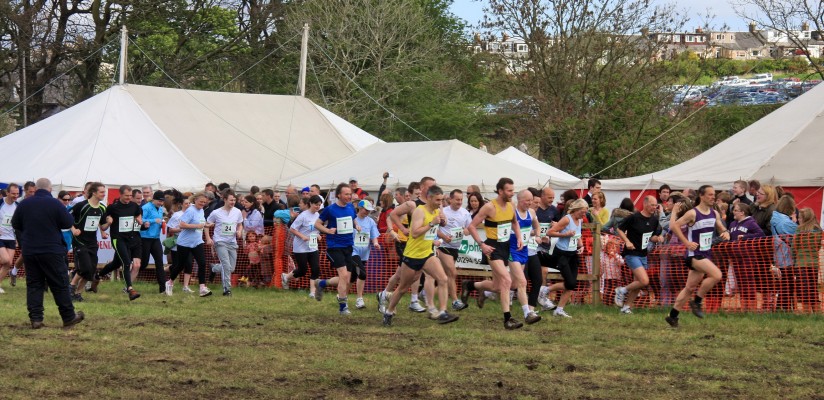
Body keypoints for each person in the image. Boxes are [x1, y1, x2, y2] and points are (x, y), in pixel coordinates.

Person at [11, 178, 84, 329]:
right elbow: (66, 222)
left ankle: (36, 319)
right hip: (51, 250)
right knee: (60, 284)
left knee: (34, 285)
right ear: (50, 190)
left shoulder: (24, 203)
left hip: (30, 251)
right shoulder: (55, 203)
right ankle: (68, 316)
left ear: (36, 189)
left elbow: (15, 224)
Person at [382, 185, 459, 326]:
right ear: (429, 198)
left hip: (427, 253)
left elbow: (439, 225)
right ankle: (389, 311)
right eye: (437, 200)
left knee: (442, 279)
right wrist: (431, 223)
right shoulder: (419, 211)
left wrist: (442, 221)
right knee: (403, 288)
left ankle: (442, 312)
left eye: (441, 200)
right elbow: (415, 233)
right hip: (412, 255)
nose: (440, 203)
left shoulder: (436, 210)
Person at [461, 177, 524, 329]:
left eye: (513, 190)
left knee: (497, 286)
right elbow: (472, 226)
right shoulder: (489, 207)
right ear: (500, 191)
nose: (512, 193)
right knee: (507, 281)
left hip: (506, 245)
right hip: (492, 247)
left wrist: (519, 236)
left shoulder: (511, 205)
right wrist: (481, 244)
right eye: (509, 190)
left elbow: (514, 222)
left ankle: (470, 285)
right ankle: (507, 319)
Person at [666, 185, 730, 327]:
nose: (713, 197)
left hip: (705, 254)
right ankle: (697, 301)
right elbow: (674, 226)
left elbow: (721, 227)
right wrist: (687, 243)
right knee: (717, 275)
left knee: (689, 288)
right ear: (701, 196)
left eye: (714, 195)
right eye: (710, 195)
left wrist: (726, 232)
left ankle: (673, 316)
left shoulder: (714, 213)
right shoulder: (693, 213)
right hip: (694, 255)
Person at [313, 183, 359, 315]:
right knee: (344, 276)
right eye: (346, 194)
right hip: (335, 246)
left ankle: (322, 283)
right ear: (339, 195)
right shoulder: (330, 209)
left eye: (350, 194)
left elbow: (353, 219)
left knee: (346, 278)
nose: (349, 196)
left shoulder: (350, 207)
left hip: (348, 246)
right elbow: (317, 224)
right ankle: (343, 307)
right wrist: (327, 230)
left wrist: (356, 226)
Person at [613, 196, 663, 314]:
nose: (654, 208)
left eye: (655, 205)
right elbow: (619, 229)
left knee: (638, 284)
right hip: (631, 253)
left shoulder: (654, 220)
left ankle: (626, 307)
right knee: (644, 280)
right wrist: (627, 241)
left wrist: (658, 238)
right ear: (645, 204)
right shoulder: (634, 217)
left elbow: (651, 237)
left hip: (643, 254)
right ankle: (621, 290)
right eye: (652, 205)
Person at [92, 185, 142, 300]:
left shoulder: (134, 206)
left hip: (130, 239)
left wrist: (139, 220)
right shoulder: (112, 207)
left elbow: (138, 214)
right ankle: (130, 289)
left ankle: (97, 276)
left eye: (130, 196)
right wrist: (108, 224)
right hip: (117, 238)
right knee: (126, 262)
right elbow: (103, 225)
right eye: (126, 196)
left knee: (115, 263)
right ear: (120, 194)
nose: (129, 198)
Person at [544, 199, 588, 318]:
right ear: (576, 210)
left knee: (572, 284)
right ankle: (545, 290)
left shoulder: (580, 220)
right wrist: (564, 235)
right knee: (570, 282)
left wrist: (581, 245)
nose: (584, 215)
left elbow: (577, 235)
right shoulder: (566, 219)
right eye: (582, 212)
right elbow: (550, 232)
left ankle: (559, 310)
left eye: (585, 213)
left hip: (573, 254)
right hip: (561, 254)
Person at [68, 183, 110, 301]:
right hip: (80, 241)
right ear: (94, 193)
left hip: (92, 242)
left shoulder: (102, 207)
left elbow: (103, 227)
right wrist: (73, 229)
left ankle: (78, 293)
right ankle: (71, 287)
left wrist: (109, 223)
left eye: (104, 192)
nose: (104, 194)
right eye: (102, 192)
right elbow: (66, 217)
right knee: (85, 268)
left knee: (90, 270)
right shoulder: (81, 206)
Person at [167, 192, 213, 297]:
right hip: (184, 243)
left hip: (197, 242)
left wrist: (206, 225)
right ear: (195, 200)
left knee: (202, 263)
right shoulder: (190, 210)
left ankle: (202, 288)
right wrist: (197, 226)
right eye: (201, 201)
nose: (202, 204)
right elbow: (182, 225)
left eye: (204, 202)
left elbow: (202, 223)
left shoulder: (201, 210)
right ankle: (169, 282)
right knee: (180, 265)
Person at [507, 189, 542, 324]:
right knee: (522, 281)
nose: (530, 203)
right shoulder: (512, 212)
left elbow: (537, 226)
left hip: (524, 250)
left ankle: (485, 290)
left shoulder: (531, 213)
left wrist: (537, 235)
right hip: (512, 250)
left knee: (513, 283)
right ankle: (528, 313)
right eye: (527, 200)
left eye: (531, 200)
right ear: (520, 200)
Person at [436, 189, 471, 311]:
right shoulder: (443, 212)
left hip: (456, 247)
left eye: (461, 199)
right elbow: (435, 229)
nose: (459, 202)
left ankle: (425, 293)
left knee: (446, 277)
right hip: (443, 246)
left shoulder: (465, 213)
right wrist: (444, 237)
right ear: (450, 199)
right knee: (452, 273)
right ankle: (455, 301)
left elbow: (469, 229)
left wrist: (465, 231)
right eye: (457, 199)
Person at [282, 195, 322, 298]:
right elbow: (292, 229)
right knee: (302, 270)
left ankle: (312, 292)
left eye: (319, 205)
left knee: (316, 268)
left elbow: (318, 228)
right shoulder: (303, 215)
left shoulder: (318, 215)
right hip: (300, 247)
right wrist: (303, 236)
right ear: (310, 204)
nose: (317, 207)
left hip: (313, 246)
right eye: (316, 204)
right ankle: (286, 277)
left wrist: (318, 235)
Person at [206, 189, 244, 296]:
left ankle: (214, 268)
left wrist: (239, 231)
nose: (233, 202)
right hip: (220, 242)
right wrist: (209, 239)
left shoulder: (237, 212)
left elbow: (240, 224)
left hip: (232, 242)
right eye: (231, 200)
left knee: (231, 268)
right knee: (226, 266)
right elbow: (207, 225)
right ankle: (227, 290)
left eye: (234, 200)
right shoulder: (216, 212)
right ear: (224, 200)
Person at [728, 201, 765, 310]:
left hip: (747, 256)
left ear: (742, 212)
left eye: (735, 210)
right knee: (740, 282)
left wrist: (745, 237)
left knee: (748, 281)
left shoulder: (750, 223)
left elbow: (761, 234)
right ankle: (744, 307)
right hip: (735, 257)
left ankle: (752, 308)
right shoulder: (732, 224)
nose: (733, 212)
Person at [351, 199, 381, 309]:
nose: (367, 212)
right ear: (359, 208)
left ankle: (341, 295)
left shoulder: (371, 222)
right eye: (365, 210)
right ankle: (359, 299)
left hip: (364, 254)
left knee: (353, 277)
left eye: (369, 210)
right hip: (353, 252)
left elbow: (374, 236)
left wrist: (376, 243)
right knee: (362, 274)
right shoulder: (352, 219)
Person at [535, 186, 560, 310]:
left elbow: (560, 224)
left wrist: (556, 225)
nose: (551, 200)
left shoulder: (554, 211)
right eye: (550, 197)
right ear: (542, 196)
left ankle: (542, 297)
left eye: (553, 198)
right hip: (531, 244)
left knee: (543, 271)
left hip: (544, 246)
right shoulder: (534, 209)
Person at [138, 191, 168, 294]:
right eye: (159, 201)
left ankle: (163, 288)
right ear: (154, 199)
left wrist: (162, 223)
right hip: (145, 238)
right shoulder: (145, 207)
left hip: (155, 238)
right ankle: (130, 279)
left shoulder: (160, 209)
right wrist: (153, 220)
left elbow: (159, 220)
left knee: (159, 262)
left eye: (162, 201)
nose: (161, 203)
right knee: (144, 263)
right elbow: (141, 220)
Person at [771, 195, 797, 311]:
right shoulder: (786, 222)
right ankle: (784, 309)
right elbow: (799, 232)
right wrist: (795, 222)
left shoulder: (775, 219)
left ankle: (781, 308)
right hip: (786, 256)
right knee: (788, 284)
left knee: (784, 284)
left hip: (778, 254)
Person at [794, 208, 822, 312]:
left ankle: (806, 312)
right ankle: (816, 311)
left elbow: (794, 247)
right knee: (813, 287)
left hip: (801, 264)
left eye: (799, 218)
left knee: (804, 289)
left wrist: (794, 259)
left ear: (804, 219)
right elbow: (818, 246)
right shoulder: (818, 230)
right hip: (813, 264)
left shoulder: (799, 230)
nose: (798, 220)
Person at [0, 183, 21, 293]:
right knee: (5, 260)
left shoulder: (17, 206)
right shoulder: (1, 203)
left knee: (8, 264)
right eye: (13, 193)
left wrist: (18, 237)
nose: (15, 195)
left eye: (17, 194)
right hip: (0, 237)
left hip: (11, 238)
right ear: (7, 193)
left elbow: (18, 223)